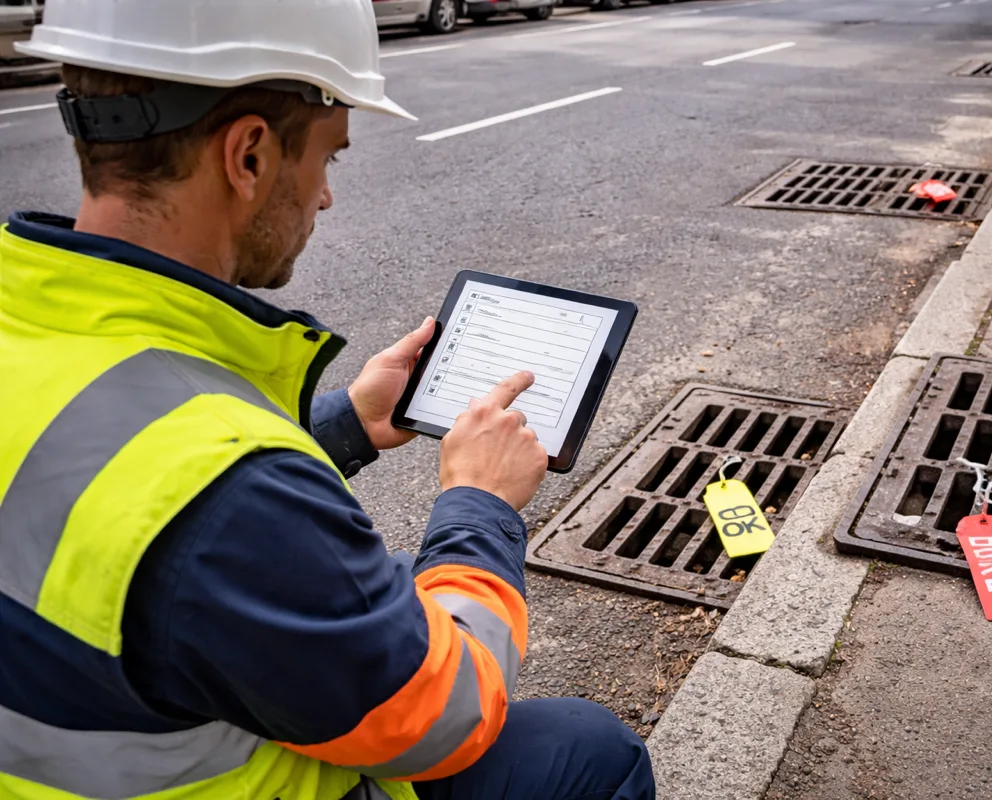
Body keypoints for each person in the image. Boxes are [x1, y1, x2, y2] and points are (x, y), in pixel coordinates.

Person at [0, 1, 655, 799]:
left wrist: (345, 422)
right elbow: (442, 718)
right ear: (248, 155)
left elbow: (110, 463)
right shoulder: (232, 496)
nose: (325, 199)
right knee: (593, 751)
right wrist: (480, 504)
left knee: (402, 578)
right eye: (329, 160)